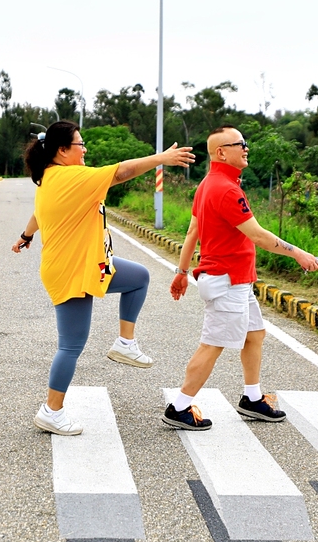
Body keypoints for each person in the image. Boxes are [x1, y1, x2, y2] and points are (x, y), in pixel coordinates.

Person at [13, 120, 195, 435]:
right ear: (63, 150)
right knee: (71, 345)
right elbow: (121, 172)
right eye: (80, 144)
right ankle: (51, 411)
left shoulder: (51, 178)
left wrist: (26, 235)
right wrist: (160, 159)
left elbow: (39, 213)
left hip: (89, 263)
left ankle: (125, 342)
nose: (85, 150)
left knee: (138, 276)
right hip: (73, 270)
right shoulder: (73, 176)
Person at [164, 125, 318, 431]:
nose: (246, 148)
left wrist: (182, 273)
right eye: (240, 144)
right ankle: (179, 406)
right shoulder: (225, 189)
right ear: (221, 152)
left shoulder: (208, 185)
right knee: (212, 344)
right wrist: (298, 253)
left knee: (254, 334)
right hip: (227, 281)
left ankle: (252, 398)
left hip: (235, 280)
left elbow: (192, 232)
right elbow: (258, 236)